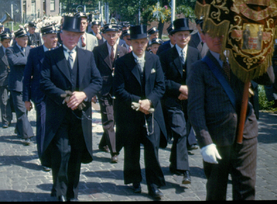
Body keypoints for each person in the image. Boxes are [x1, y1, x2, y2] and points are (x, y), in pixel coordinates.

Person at [187, 32, 274, 200]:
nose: (218, 38)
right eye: (212, 34)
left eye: (222, 34)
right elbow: (195, 109)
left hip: (245, 133)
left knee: (246, 188)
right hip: (217, 139)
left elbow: (268, 79)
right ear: (203, 37)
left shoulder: (241, 61)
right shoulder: (199, 68)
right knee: (216, 191)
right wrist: (205, 143)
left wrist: (259, 48)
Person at [40, 16, 102, 201]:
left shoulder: (87, 56)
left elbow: (97, 81)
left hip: (80, 116)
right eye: (68, 34)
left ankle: (72, 194)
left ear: (80, 36)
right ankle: (59, 193)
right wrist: (66, 97)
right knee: (61, 153)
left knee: (75, 154)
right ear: (61, 35)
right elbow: (44, 82)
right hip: (59, 116)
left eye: (76, 35)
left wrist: (84, 94)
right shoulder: (50, 57)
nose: (72, 38)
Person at [114, 24, 168, 199]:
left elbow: (161, 85)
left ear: (147, 42)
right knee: (132, 148)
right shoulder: (122, 62)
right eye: (136, 42)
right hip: (130, 113)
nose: (140, 46)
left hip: (151, 112)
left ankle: (153, 185)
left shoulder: (155, 60)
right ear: (130, 43)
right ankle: (134, 179)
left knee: (152, 148)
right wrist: (139, 102)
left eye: (143, 42)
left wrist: (149, 101)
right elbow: (119, 90)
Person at [159, 18, 201, 185]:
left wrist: (189, 91)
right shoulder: (165, 56)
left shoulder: (195, 53)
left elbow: (198, 77)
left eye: (186, 35)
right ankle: (185, 170)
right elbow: (162, 81)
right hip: (172, 101)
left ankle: (174, 163)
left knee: (181, 133)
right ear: (173, 37)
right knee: (180, 131)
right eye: (180, 35)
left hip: (189, 101)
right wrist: (179, 89)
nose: (183, 38)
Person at [23, 25, 58, 171]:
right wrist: (26, 99)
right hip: (40, 96)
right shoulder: (34, 53)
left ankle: (56, 154)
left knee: (57, 126)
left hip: (57, 96)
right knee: (43, 126)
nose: (55, 39)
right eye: (52, 37)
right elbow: (27, 76)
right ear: (44, 38)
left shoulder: (60, 52)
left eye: (56, 36)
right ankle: (45, 159)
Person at [92, 23, 128, 163]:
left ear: (119, 34)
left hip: (119, 90)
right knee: (108, 118)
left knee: (117, 119)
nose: (111, 37)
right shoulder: (98, 50)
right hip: (103, 89)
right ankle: (114, 151)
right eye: (108, 34)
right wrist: (93, 91)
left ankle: (103, 143)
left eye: (114, 34)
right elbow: (93, 71)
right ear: (104, 35)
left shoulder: (124, 51)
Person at [6, 27, 35, 145]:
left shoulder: (29, 49)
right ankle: (27, 135)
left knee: (25, 110)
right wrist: (29, 59)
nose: (25, 41)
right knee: (21, 110)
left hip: (27, 85)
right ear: (16, 39)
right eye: (23, 39)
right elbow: (14, 62)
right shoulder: (10, 50)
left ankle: (19, 129)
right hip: (16, 85)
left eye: (26, 39)